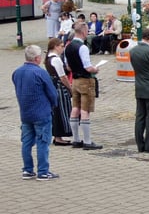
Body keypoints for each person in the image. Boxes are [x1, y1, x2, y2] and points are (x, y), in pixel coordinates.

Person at [13, 45, 59, 180]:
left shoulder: (17, 72)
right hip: (41, 112)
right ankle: (43, 171)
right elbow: (52, 93)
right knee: (42, 142)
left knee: (26, 142)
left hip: (25, 113)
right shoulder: (40, 73)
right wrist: (53, 105)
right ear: (37, 58)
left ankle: (27, 170)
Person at [65, 22, 102, 150]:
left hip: (74, 80)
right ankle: (87, 141)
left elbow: (68, 67)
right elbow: (87, 67)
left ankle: (76, 139)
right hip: (85, 81)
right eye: (87, 30)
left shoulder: (68, 47)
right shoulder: (83, 47)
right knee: (85, 109)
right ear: (83, 31)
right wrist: (95, 69)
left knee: (75, 108)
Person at [45, 38, 72, 146]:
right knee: (61, 110)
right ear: (55, 46)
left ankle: (57, 136)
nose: (63, 48)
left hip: (53, 85)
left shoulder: (48, 58)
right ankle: (59, 136)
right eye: (61, 46)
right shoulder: (56, 59)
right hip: (59, 86)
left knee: (56, 110)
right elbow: (62, 77)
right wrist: (70, 88)